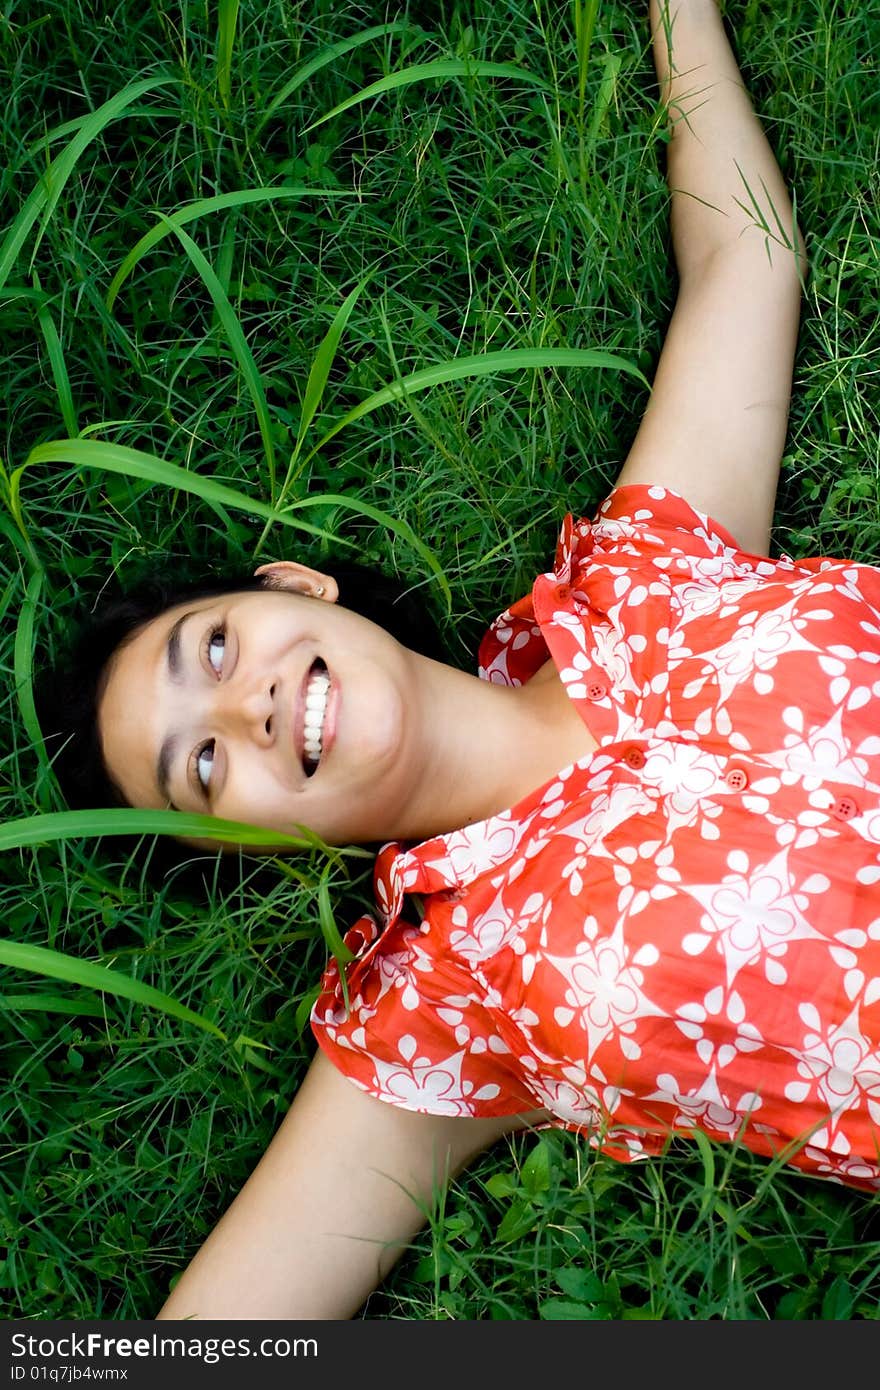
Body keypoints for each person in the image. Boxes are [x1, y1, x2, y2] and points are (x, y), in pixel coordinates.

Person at [37, 0, 880, 1320]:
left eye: (213, 647)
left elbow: (743, 267)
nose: (245, 704)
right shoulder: (440, 1003)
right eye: (200, 765)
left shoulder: (646, 565)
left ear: (293, 586)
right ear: (245, 850)